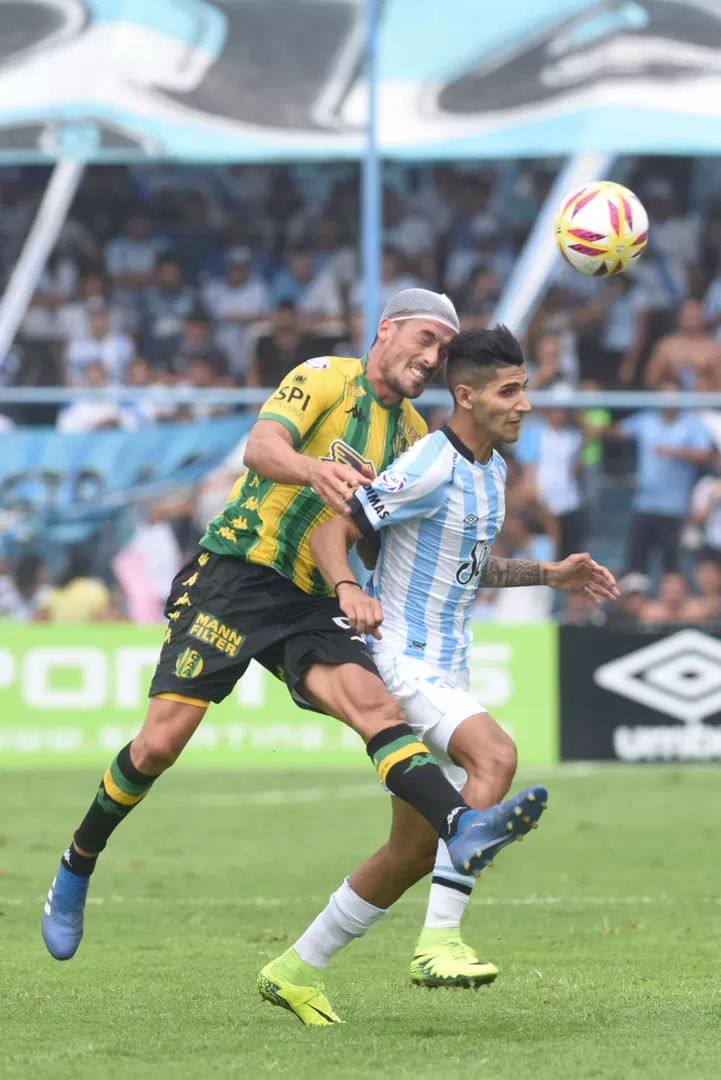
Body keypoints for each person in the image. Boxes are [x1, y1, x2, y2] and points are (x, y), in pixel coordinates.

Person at [41, 290, 545, 965]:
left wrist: (502, 574)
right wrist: (317, 472)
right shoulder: (322, 377)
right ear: (386, 330)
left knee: (376, 706)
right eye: (422, 340)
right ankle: (77, 863)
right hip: (236, 577)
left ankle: (460, 825)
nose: (429, 359)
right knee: (160, 745)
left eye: (440, 352)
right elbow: (260, 447)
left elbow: (384, 541)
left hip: (312, 599)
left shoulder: (415, 440)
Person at [258, 327, 618, 1024]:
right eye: (509, 391)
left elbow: (467, 562)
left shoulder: (491, 470)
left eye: (524, 389)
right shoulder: (427, 463)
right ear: (466, 396)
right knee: (496, 754)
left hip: (445, 661)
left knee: (412, 850)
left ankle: (294, 967)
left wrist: (549, 574)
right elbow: (331, 529)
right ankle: (439, 941)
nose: (525, 405)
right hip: (399, 656)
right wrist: (345, 590)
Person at [606, 379, 713, 575]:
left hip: (674, 508)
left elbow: (705, 455)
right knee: (636, 563)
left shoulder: (691, 424)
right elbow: (617, 432)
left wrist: (674, 452)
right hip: (644, 504)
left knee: (670, 565)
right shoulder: (646, 419)